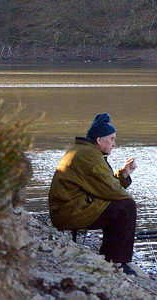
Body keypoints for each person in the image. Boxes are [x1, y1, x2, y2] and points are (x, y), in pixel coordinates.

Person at [48, 113, 138, 275]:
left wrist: (123, 175)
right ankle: (115, 261)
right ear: (99, 141)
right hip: (69, 212)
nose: (114, 144)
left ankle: (110, 257)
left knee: (119, 205)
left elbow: (104, 185)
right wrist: (127, 197)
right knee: (126, 206)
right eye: (112, 139)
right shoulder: (89, 156)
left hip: (69, 208)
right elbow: (111, 190)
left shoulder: (86, 152)